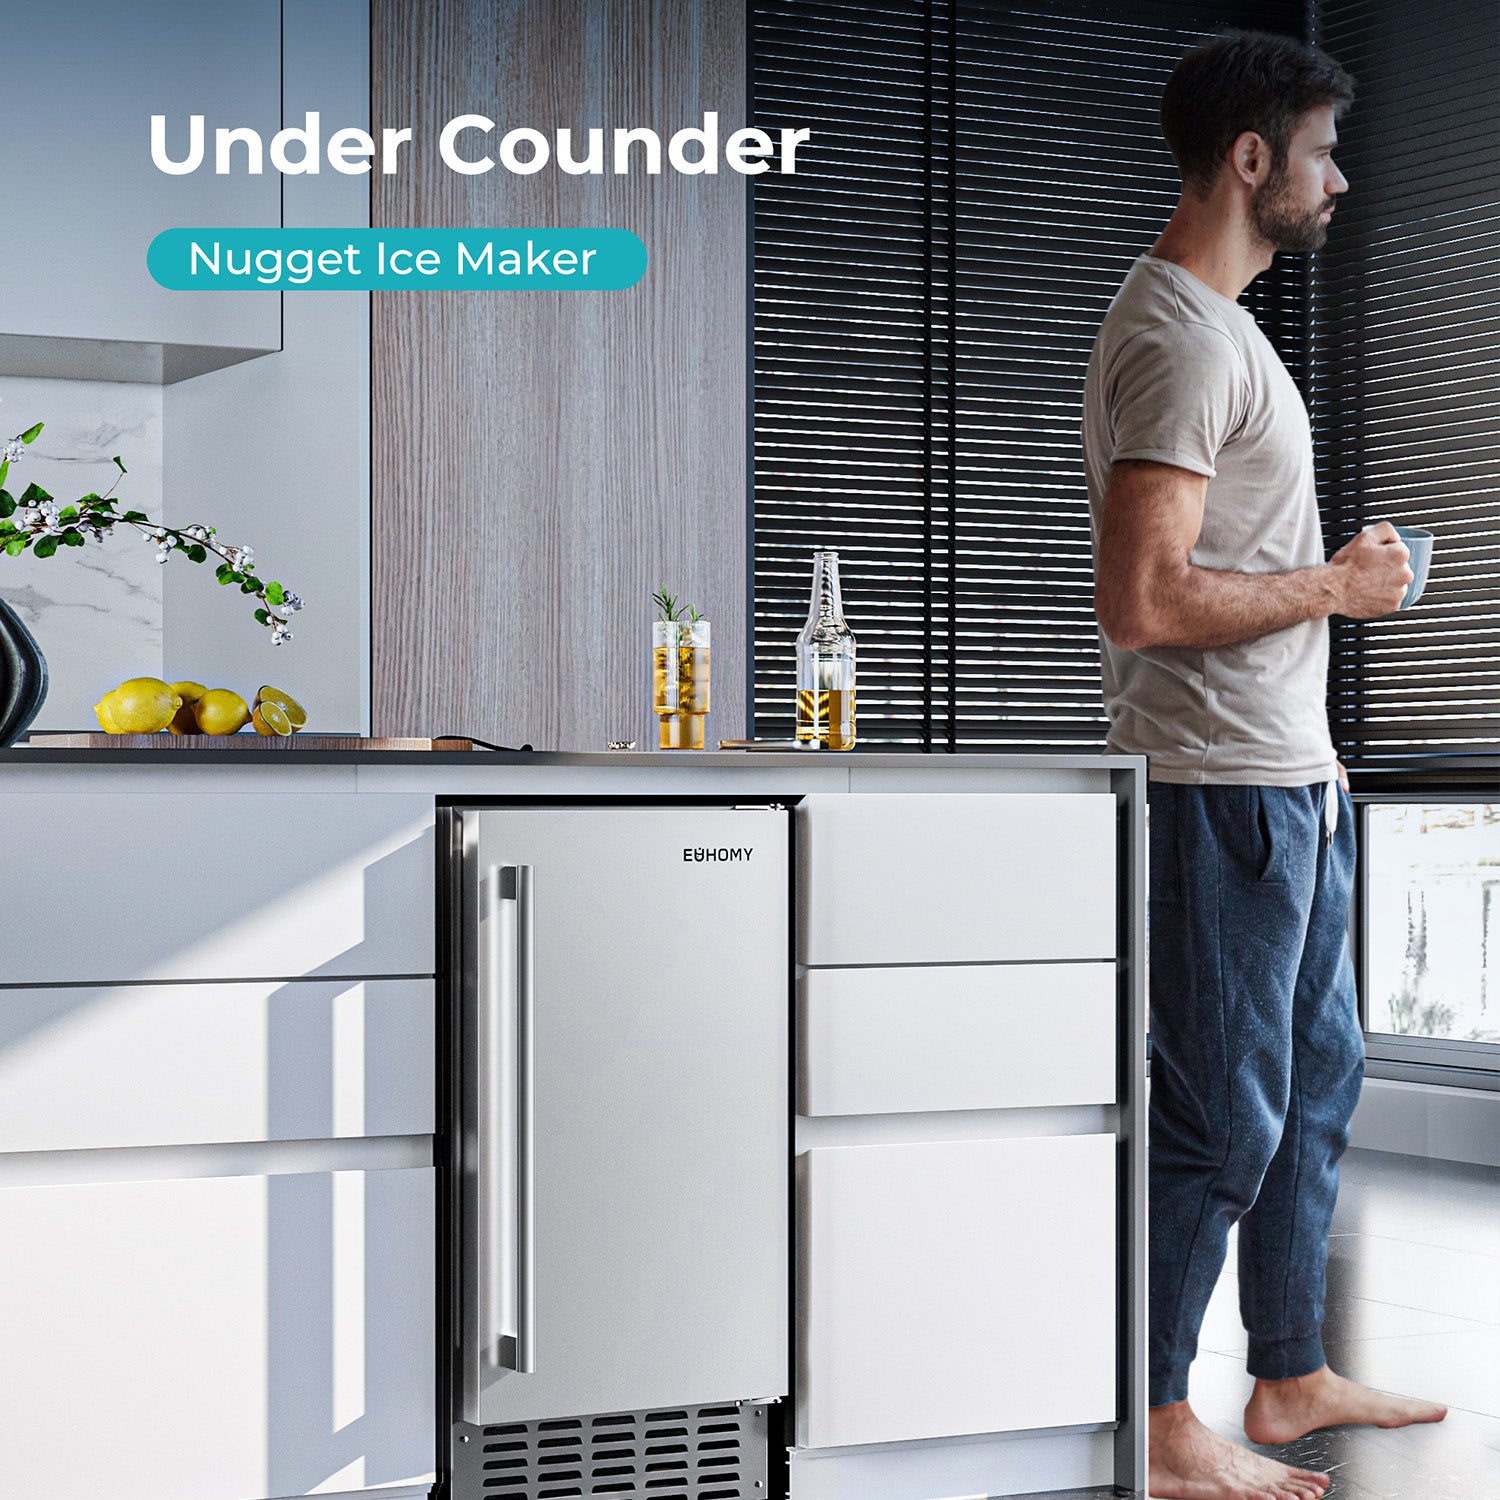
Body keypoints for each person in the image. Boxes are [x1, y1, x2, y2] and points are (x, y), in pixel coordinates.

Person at [1081, 30, 1449, 1500]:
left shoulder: (1230, 332)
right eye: (1320, 153)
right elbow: (1146, 599)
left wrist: (1329, 578)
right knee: (1221, 1116)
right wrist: (1337, 590)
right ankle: (1160, 1419)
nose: (1341, 179)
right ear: (1253, 161)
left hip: (1292, 777)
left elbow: (1216, 566)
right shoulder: (1172, 335)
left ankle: (1287, 1372)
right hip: (1212, 788)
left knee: (1315, 1089)